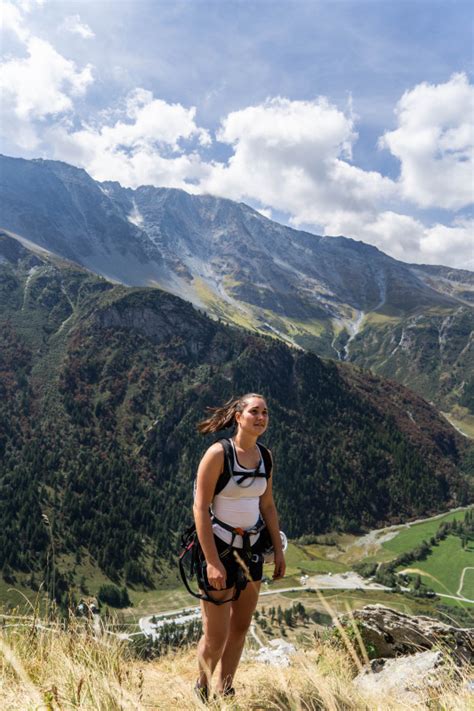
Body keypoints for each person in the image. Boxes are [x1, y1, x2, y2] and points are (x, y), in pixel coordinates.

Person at [193, 392, 286, 701]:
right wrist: (210, 561)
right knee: (216, 635)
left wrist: (279, 549)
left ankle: (226, 689)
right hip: (218, 549)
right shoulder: (219, 454)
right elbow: (200, 508)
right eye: (254, 412)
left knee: (241, 627)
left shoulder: (265, 457)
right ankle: (203, 690)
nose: (261, 417)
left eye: (265, 413)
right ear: (238, 417)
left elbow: (268, 505)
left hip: (253, 549)